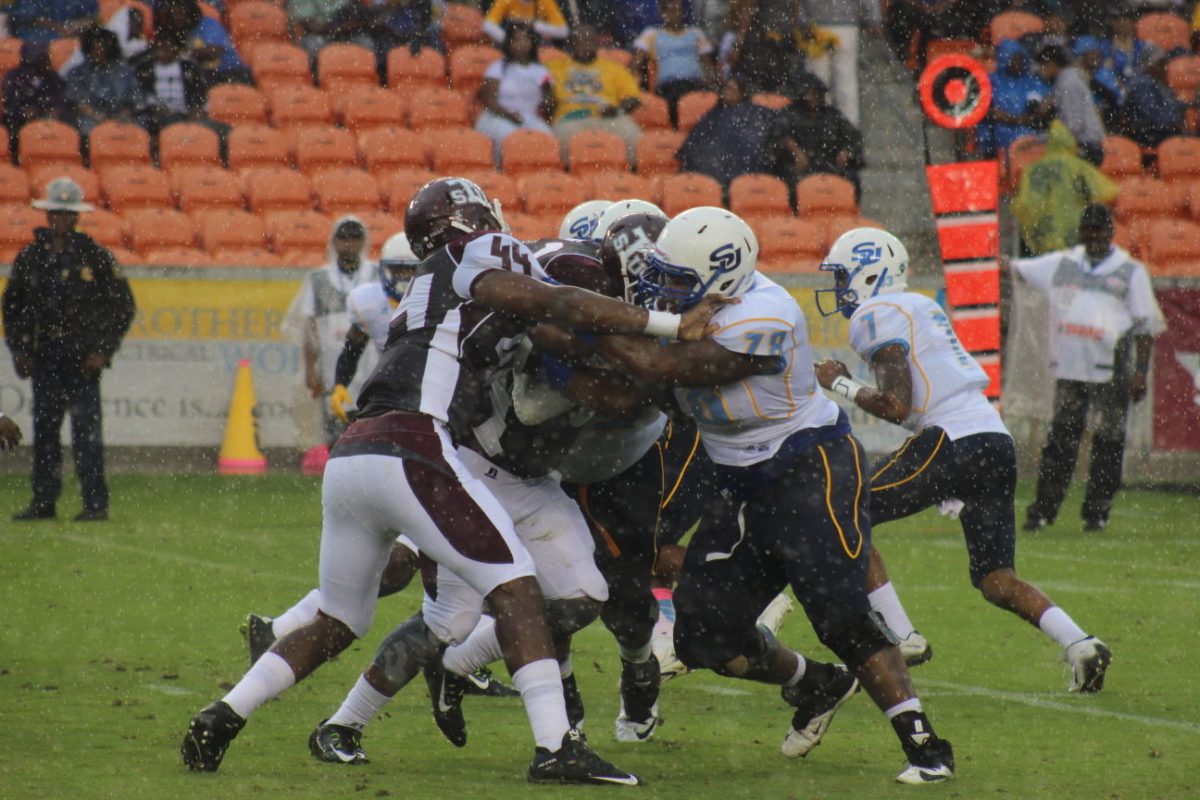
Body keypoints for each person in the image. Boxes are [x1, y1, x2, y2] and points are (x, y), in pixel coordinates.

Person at [179, 177, 724, 783]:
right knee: (513, 590)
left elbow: (539, 332)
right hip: (420, 446)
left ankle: (223, 714)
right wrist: (666, 329)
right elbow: (555, 307)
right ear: (471, 219)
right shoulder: (476, 253)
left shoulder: (427, 285)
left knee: (340, 618)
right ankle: (554, 748)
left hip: (356, 450)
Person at [588, 207, 955, 784]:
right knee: (703, 633)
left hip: (808, 466)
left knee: (839, 614)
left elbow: (664, 365)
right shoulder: (696, 303)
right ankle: (818, 682)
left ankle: (925, 745)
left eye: (680, 279)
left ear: (724, 276)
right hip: (736, 477)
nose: (666, 290)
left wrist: (583, 325)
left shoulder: (768, 314)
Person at [813, 226, 1115, 693]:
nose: (837, 289)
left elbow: (895, 405)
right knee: (997, 580)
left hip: (952, 437)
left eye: (841, 277)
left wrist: (840, 384)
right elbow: (912, 403)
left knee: (844, 511)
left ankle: (903, 634)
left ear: (867, 275)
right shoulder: (919, 305)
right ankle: (1080, 643)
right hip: (992, 439)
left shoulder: (876, 312)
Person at [1011, 204, 1166, 533]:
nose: (1094, 237)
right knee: (1061, 441)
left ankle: (1097, 512)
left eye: (1100, 231)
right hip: (1071, 368)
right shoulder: (1063, 264)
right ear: (1081, 232)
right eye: (1089, 231)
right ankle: (1043, 510)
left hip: (1112, 367)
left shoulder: (1129, 271)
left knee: (1108, 441)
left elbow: (1145, 326)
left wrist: (1139, 373)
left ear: (1111, 233)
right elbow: (1016, 270)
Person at [3, 178, 135, 523]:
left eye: (67, 213)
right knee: (45, 432)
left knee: (86, 434)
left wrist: (103, 350)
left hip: (82, 359)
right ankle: (43, 502)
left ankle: (95, 503)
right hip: (46, 355)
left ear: (76, 217)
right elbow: (12, 308)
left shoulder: (95, 256)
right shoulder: (31, 257)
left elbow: (122, 307)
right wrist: (20, 349)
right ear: (47, 215)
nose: (60, 219)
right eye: (56, 212)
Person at [285, 217, 379, 453]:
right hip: (332, 363)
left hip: (370, 363)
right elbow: (310, 328)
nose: (349, 244)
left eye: (355, 237)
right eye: (343, 237)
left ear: (363, 242)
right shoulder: (318, 280)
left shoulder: (376, 275)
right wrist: (310, 369)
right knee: (336, 428)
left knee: (370, 424)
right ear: (334, 242)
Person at [1012, 120, 1118, 256]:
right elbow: (1107, 192)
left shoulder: (1031, 169)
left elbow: (1022, 203)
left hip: (1043, 235)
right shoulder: (1079, 166)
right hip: (1073, 232)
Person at [546, 24, 642, 164]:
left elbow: (633, 98)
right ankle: (567, 178)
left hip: (608, 118)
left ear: (596, 43)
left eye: (588, 41)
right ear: (571, 44)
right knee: (560, 137)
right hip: (570, 118)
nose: (584, 46)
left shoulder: (614, 68)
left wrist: (617, 110)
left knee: (633, 135)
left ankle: (631, 177)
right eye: (579, 42)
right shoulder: (553, 67)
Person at [132, 30, 231, 159]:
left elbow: (200, 97)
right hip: (155, 117)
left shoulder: (189, 68)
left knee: (226, 131)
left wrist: (195, 112)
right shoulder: (144, 69)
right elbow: (138, 98)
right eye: (160, 46)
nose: (163, 50)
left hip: (186, 115)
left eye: (168, 46)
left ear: (177, 49)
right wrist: (154, 109)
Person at [676, 73, 783, 189]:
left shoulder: (754, 112)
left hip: (744, 169)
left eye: (732, 89)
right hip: (715, 168)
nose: (727, 92)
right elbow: (695, 141)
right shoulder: (714, 114)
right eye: (726, 88)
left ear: (742, 94)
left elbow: (779, 123)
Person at [475, 21, 556, 163]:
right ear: (509, 43)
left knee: (548, 139)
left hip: (528, 118)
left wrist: (549, 101)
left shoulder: (541, 71)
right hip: (497, 117)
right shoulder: (497, 68)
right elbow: (489, 100)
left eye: (526, 39)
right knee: (513, 140)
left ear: (532, 43)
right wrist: (509, 115)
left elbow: (550, 97)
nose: (522, 44)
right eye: (516, 40)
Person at [774, 72, 865, 198]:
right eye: (810, 93)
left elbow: (853, 136)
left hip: (829, 165)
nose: (814, 97)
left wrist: (847, 150)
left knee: (852, 179)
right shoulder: (789, 114)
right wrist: (795, 151)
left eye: (817, 93)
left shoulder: (832, 116)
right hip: (800, 167)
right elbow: (778, 134)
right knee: (789, 180)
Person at [631, 0, 717, 128]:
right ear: (663, 13)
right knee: (675, 106)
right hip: (668, 87)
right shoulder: (651, 34)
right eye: (669, 10)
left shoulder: (695, 33)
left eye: (677, 10)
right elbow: (635, 64)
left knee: (708, 105)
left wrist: (712, 84)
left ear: (682, 12)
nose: (674, 14)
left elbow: (708, 65)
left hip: (695, 85)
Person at [798, 0, 883, 127]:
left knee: (817, 81)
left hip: (817, 25)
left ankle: (820, 128)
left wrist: (803, 20)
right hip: (846, 25)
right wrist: (874, 19)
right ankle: (848, 130)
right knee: (846, 82)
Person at [64, 27, 145, 139]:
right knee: (86, 126)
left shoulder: (126, 71)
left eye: (102, 48)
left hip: (122, 115)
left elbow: (136, 98)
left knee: (139, 127)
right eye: (94, 48)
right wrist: (100, 117)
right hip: (91, 116)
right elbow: (77, 102)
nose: (99, 52)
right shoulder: (77, 73)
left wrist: (125, 113)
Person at [1033, 43, 1105, 165]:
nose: (1040, 69)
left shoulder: (1068, 83)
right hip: (1083, 146)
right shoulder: (1066, 80)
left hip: (1086, 147)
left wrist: (1040, 139)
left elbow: (1073, 126)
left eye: (1042, 65)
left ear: (1051, 63)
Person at [980, 39, 1049, 158]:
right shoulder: (991, 81)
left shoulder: (1032, 81)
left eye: (1020, 58)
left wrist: (1011, 118)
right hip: (999, 142)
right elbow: (987, 112)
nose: (1018, 63)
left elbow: (1042, 114)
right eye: (1013, 58)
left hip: (1031, 141)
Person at [1117, 45, 1184, 148]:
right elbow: (1154, 115)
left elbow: (1174, 104)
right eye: (1161, 64)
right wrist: (1175, 119)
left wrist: (1188, 106)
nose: (1164, 68)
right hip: (1147, 134)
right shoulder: (1141, 84)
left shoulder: (1157, 81)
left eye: (1165, 63)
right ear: (1150, 65)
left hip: (1162, 131)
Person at [2, 41, 67, 142]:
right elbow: (8, 104)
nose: (44, 61)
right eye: (40, 57)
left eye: (45, 56)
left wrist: (52, 111)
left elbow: (60, 100)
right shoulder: (14, 76)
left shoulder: (53, 77)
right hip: (18, 121)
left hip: (46, 119)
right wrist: (22, 112)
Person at [7, 0, 97, 45]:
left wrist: (77, 25)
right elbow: (25, 17)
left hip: (70, 42)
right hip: (29, 37)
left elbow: (93, 18)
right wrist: (58, 27)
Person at [483, 0, 569, 43]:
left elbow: (564, 31)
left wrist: (534, 25)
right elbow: (487, 25)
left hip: (537, 46)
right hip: (510, 43)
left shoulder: (546, 1)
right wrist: (509, 42)